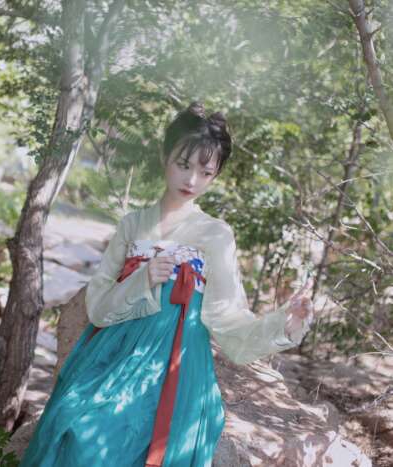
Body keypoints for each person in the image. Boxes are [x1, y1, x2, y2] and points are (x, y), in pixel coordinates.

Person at [19, 101, 317, 467]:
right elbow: (97, 306)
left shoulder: (215, 234)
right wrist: (142, 280)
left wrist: (285, 321)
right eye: (184, 165)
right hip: (115, 355)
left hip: (175, 363)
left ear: (216, 175)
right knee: (74, 429)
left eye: (206, 172)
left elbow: (227, 318)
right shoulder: (132, 224)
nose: (192, 180)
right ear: (165, 156)